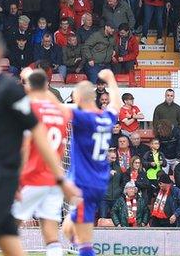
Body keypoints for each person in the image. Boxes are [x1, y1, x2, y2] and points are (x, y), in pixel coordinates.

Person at [0, 30, 77, 256]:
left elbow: (36, 132)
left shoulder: (9, 89)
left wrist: (59, 177)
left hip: (1, 177)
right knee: (8, 239)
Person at [63, 69, 121, 256]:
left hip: (83, 184)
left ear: (78, 98)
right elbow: (116, 104)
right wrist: (111, 79)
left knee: (84, 242)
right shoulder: (106, 118)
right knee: (68, 227)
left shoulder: (82, 118)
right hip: (99, 181)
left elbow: (52, 108)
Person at [11, 70, 70, 256]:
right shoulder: (60, 113)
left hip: (33, 177)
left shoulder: (29, 110)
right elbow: (64, 149)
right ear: (46, 87)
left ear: (28, 86)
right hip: (55, 178)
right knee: (51, 235)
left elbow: (24, 148)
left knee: (8, 227)